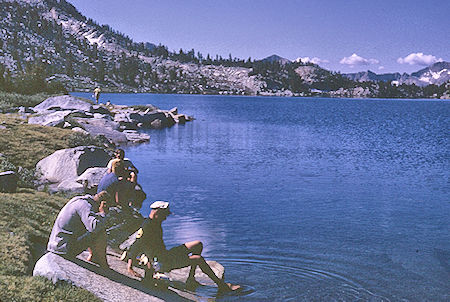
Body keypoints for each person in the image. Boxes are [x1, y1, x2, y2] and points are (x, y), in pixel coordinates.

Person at [122, 201, 240, 293]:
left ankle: (191, 280)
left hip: (165, 254)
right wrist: (130, 267)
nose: (166, 218)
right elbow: (136, 245)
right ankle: (222, 286)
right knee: (198, 259)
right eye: (165, 215)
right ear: (157, 212)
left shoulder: (155, 223)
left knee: (198, 244)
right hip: (162, 262)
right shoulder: (148, 226)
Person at [47, 191, 113, 268]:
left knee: (91, 227)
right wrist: (103, 213)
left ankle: (93, 256)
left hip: (56, 244)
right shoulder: (86, 206)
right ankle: (102, 263)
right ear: (102, 204)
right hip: (65, 248)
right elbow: (94, 227)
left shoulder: (79, 200)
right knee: (100, 231)